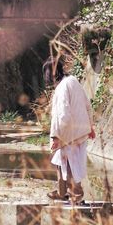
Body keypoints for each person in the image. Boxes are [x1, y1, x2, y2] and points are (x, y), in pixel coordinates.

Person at [44, 55, 95, 205]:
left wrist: (56, 136)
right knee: (61, 161)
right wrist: (90, 126)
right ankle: (62, 192)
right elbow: (87, 105)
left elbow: (63, 115)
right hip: (79, 130)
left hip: (69, 132)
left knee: (71, 163)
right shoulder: (73, 81)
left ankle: (76, 195)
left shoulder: (61, 88)